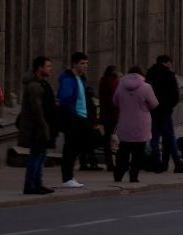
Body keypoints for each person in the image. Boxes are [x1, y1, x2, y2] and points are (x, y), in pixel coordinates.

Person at [145, 54, 183, 173]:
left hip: (153, 110)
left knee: (154, 138)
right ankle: (178, 164)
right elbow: (175, 95)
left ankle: (157, 164)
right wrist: (169, 106)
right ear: (166, 62)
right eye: (170, 62)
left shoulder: (150, 74)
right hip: (165, 111)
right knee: (170, 137)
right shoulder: (168, 74)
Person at [112, 66, 157, 184]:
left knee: (123, 151)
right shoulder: (146, 87)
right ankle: (133, 176)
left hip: (124, 123)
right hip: (141, 125)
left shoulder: (121, 86)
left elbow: (115, 101)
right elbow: (154, 104)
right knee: (138, 152)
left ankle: (118, 174)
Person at [17, 56, 55, 196]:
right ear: (40, 68)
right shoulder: (34, 86)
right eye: (48, 66)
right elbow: (37, 109)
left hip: (41, 126)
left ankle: (38, 183)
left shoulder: (41, 83)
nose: (51, 69)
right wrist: (44, 127)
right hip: (36, 128)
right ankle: (31, 185)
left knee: (41, 155)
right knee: (36, 156)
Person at [55, 52, 94, 188]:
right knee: (70, 148)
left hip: (82, 117)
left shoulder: (80, 79)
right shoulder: (68, 79)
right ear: (74, 64)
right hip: (74, 118)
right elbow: (65, 99)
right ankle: (67, 177)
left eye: (86, 63)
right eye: (82, 63)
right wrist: (74, 115)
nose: (85, 66)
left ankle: (70, 175)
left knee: (79, 146)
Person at [97, 64, 121, 173]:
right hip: (112, 114)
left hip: (107, 114)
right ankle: (111, 163)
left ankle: (110, 163)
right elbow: (116, 99)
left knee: (108, 140)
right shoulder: (112, 82)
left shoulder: (104, 81)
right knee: (111, 140)